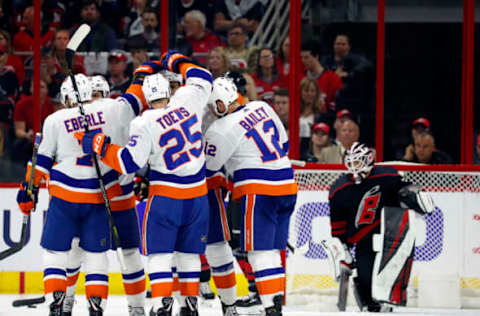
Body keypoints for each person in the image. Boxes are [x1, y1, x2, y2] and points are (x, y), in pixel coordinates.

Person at [75, 51, 212, 316]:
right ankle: (190, 304)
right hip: (197, 196)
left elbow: (127, 163)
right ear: (170, 92)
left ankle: (163, 304)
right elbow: (203, 76)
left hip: (166, 197)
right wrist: (175, 60)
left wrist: (99, 145)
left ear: (147, 99)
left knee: (160, 254)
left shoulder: (144, 121)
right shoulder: (187, 100)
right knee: (189, 254)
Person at [15, 61, 152, 315]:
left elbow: (41, 163)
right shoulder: (112, 108)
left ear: (67, 97)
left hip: (66, 195)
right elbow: (134, 99)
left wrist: (28, 189)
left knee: (58, 251)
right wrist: (142, 74)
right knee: (96, 253)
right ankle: (96, 304)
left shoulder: (55, 119)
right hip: (101, 195)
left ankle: (57, 301)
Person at [204, 76, 298, 316]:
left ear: (219, 104)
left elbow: (211, 166)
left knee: (260, 253)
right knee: (273, 252)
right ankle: (274, 304)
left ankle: (270, 308)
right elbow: (284, 144)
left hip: (259, 190)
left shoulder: (220, 129)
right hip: (287, 183)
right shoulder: (262, 106)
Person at [60, 74, 146, 316]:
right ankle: (64, 302)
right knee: (77, 250)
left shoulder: (116, 115)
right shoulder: (115, 113)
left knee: (128, 254)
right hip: (92, 198)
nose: (95, 101)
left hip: (119, 197)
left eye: (99, 95)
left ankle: (137, 307)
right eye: (92, 96)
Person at [328, 142, 435, 311]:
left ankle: (387, 302)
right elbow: (338, 222)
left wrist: (414, 194)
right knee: (366, 280)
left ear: (368, 160)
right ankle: (369, 305)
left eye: (358, 162)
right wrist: (343, 247)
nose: (354, 167)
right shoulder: (339, 189)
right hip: (363, 238)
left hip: (391, 234)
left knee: (388, 279)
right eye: (351, 162)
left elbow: (404, 190)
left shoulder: (387, 176)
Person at [13, 78, 53, 166]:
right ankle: (21, 170)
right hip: (30, 138)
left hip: (49, 138)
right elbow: (19, 131)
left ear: (47, 90)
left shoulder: (53, 104)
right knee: (21, 144)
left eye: (42, 87)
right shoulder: (22, 104)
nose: (39, 90)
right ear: (31, 89)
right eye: (36, 87)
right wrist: (27, 135)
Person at [301, 40, 343, 115]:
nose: (303, 61)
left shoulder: (333, 78)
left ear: (316, 57)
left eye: (306, 57)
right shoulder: (299, 78)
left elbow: (336, 105)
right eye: (302, 57)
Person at [299, 77, 322, 157]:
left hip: (312, 152)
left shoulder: (320, 115)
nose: (309, 94)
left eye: (312, 91)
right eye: (306, 91)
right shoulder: (293, 112)